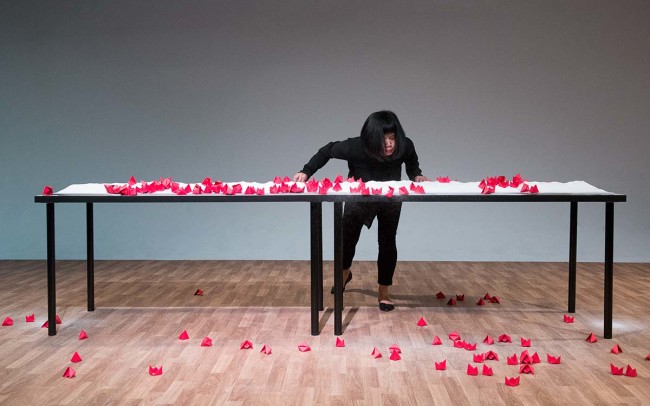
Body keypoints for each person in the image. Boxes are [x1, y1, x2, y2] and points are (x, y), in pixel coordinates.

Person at [294, 110, 429, 311]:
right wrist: (306, 171)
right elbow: (327, 151)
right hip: (359, 199)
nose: (390, 144)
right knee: (347, 241)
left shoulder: (405, 145)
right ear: (372, 139)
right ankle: (344, 273)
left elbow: (412, 164)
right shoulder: (355, 147)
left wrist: (416, 175)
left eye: (393, 138)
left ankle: (384, 292)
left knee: (387, 242)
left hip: (389, 200)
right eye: (384, 140)